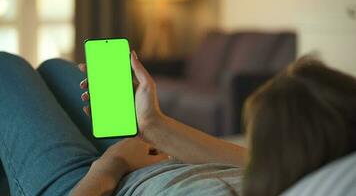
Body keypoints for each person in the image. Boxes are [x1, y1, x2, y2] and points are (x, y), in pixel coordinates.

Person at [0, 51, 355, 196]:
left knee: (7, 69)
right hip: (151, 154)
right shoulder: (298, 175)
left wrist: (112, 164)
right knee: (57, 70)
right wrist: (155, 126)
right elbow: (260, 163)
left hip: (96, 182)